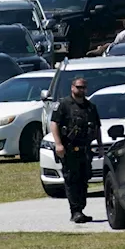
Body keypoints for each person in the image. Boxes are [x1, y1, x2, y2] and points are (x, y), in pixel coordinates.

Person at [50, 76, 101, 224]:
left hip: (85, 150)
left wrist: (99, 145)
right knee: (72, 180)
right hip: (69, 149)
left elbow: (97, 127)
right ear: (72, 87)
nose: (81, 90)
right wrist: (58, 144)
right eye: (78, 87)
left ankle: (81, 209)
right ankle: (75, 211)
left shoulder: (91, 107)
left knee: (84, 179)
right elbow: (54, 124)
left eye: (83, 87)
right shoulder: (64, 105)